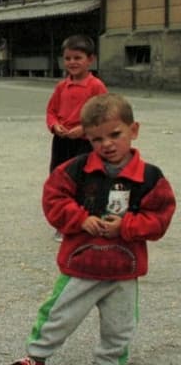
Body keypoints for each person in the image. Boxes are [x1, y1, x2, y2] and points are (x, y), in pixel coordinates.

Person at [10, 93, 176, 365]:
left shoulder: (150, 178)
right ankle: (35, 356)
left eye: (115, 134)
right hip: (81, 265)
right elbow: (53, 200)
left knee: (120, 328)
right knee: (58, 315)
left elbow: (160, 218)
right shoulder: (75, 170)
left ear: (134, 130)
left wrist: (127, 226)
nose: (107, 144)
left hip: (124, 269)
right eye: (97, 139)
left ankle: (110, 362)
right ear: (87, 137)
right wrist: (79, 219)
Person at [46, 34, 107, 241]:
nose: (72, 62)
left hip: (84, 142)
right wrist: (54, 125)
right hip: (62, 141)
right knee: (59, 177)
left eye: (78, 58)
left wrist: (84, 128)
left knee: (82, 180)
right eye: (68, 58)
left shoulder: (96, 86)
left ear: (90, 60)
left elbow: (102, 112)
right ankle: (63, 221)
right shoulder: (61, 87)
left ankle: (84, 220)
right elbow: (51, 111)